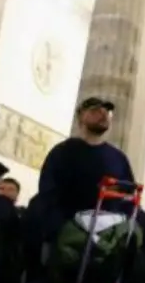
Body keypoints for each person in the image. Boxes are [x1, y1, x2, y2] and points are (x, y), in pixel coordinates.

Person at [36, 97, 135, 234]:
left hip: (107, 239)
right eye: (96, 110)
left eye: (107, 111)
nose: (104, 114)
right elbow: (48, 193)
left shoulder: (118, 159)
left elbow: (129, 197)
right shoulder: (62, 152)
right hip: (67, 235)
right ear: (80, 117)